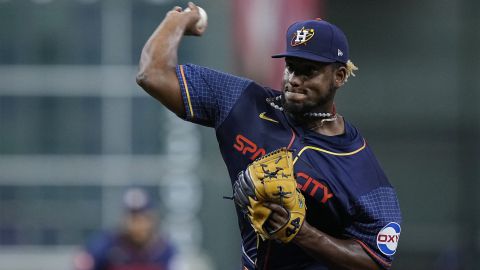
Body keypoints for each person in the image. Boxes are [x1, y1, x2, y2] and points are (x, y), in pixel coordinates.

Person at [136, 2, 402, 270]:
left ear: (340, 75)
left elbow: (376, 261)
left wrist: (304, 234)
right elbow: (152, 75)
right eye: (292, 66)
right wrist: (178, 19)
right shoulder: (243, 102)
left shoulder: (360, 168)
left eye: (309, 70)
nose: (295, 79)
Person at [73, 188, 176, 270]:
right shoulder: (104, 246)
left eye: (142, 218)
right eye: (132, 217)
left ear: (152, 219)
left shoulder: (165, 251)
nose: (137, 224)